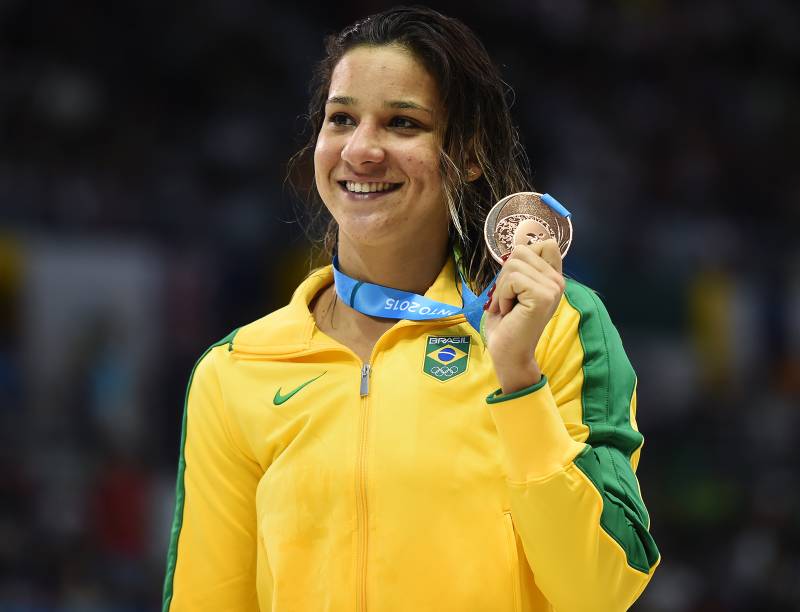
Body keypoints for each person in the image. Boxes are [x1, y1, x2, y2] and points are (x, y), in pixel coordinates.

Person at [162, 7, 660, 611]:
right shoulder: (237, 370)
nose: (362, 150)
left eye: (402, 123)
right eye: (341, 118)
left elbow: (600, 591)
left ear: (468, 152)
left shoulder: (557, 324)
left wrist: (519, 381)